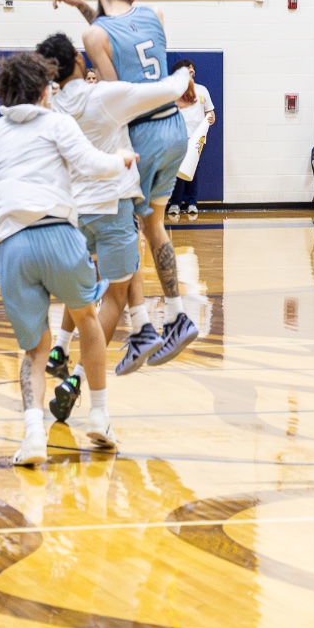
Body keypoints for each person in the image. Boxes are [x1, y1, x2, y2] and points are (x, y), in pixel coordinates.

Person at [0, 51, 134, 466]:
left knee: (35, 350)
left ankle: (34, 435)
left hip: (11, 243)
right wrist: (121, 159)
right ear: (44, 90)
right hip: (58, 235)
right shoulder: (57, 122)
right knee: (87, 319)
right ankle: (99, 417)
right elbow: (92, 165)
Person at [37, 33, 192, 417]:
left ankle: (62, 347)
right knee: (114, 298)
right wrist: (184, 76)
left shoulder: (52, 107)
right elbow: (163, 91)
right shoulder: (103, 96)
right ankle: (83, 384)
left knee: (85, 293)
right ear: (78, 59)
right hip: (111, 206)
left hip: (73, 214)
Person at [52, 0, 197, 366]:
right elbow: (120, 31)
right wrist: (84, 6)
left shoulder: (93, 34)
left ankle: (142, 327)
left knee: (123, 230)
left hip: (144, 135)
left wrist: (84, 9)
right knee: (155, 226)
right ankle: (177, 315)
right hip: (175, 127)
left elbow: (116, 87)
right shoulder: (155, 14)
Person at [169, 58, 215, 216]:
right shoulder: (173, 91)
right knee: (177, 171)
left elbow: (210, 112)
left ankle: (191, 203)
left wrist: (211, 118)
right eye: (188, 68)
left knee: (193, 170)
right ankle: (175, 203)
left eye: (192, 68)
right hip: (178, 137)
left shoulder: (202, 90)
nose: (192, 70)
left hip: (197, 139)